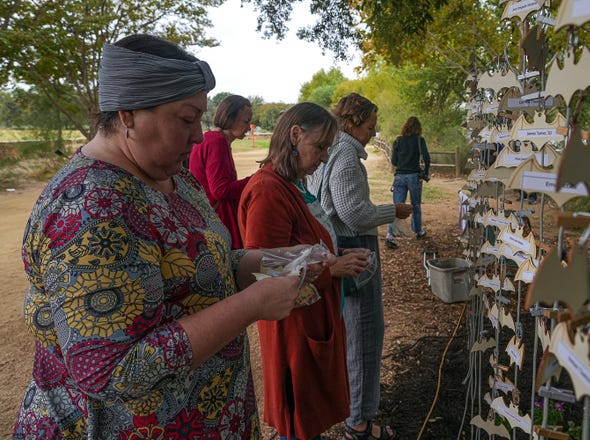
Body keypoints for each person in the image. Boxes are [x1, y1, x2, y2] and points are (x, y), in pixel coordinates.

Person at [12, 34, 325, 439]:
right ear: (128, 114)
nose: (199, 136)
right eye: (186, 118)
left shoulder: (171, 175)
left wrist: (278, 260)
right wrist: (254, 304)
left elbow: (205, 262)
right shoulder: (93, 207)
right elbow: (112, 371)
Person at [238, 102, 371, 440]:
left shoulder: (293, 185)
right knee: (297, 421)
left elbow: (304, 246)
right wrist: (333, 269)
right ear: (295, 135)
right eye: (321, 146)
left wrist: (338, 254)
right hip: (293, 333)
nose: (325, 157)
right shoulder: (268, 191)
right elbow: (264, 272)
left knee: (307, 421)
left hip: (311, 322)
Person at [308, 93, 411, 440]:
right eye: (369, 126)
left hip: (339, 246)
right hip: (355, 247)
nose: (372, 132)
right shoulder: (347, 155)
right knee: (366, 334)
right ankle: (360, 422)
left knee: (355, 333)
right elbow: (354, 213)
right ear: (352, 123)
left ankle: (354, 412)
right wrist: (391, 211)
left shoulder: (329, 150)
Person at [189, 94, 253, 249]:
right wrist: (255, 180)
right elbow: (220, 190)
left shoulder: (215, 140)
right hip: (219, 220)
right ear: (230, 118)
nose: (248, 127)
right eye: (245, 121)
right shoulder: (217, 142)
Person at [384, 116, 431, 249]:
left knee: (397, 207)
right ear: (418, 128)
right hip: (415, 177)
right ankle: (418, 231)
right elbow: (427, 158)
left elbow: (394, 161)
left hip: (399, 176)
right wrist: (425, 173)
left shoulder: (398, 141)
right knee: (415, 205)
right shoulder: (419, 141)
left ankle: (390, 235)